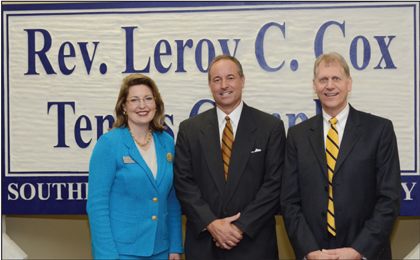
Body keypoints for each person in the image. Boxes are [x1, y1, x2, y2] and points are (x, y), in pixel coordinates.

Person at [280, 52, 401, 260]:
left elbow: (389, 199)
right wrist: (309, 251)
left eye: (336, 78)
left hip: (365, 253)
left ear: (349, 83)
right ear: (314, 85)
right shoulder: (297, 136)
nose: (329, 86)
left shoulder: (379, 130)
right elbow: (289, 201)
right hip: (315, 254)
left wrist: (359, 250)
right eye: (323, 80)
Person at [174, 54, 286, 259]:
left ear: (242, 81)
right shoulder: (189, 130)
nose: (224, 85)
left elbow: (274, 185)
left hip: (254, 244)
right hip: (204, 245)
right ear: (210, 85)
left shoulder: (270, 128)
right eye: (217, 80)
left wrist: (239, 228)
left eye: (230, 78)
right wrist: (212, 224)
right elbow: (183, 183)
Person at [87, 74, 183, 260]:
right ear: (124, 106)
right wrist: (107, 255)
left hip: (162, 250)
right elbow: (97, 205)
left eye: (148, 98)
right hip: (121, 252)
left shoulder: (167, 143)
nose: (142, 105)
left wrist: (175, 246)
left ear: (156, 103)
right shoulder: (108, 143)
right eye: (134, 100)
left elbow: (172, 198)